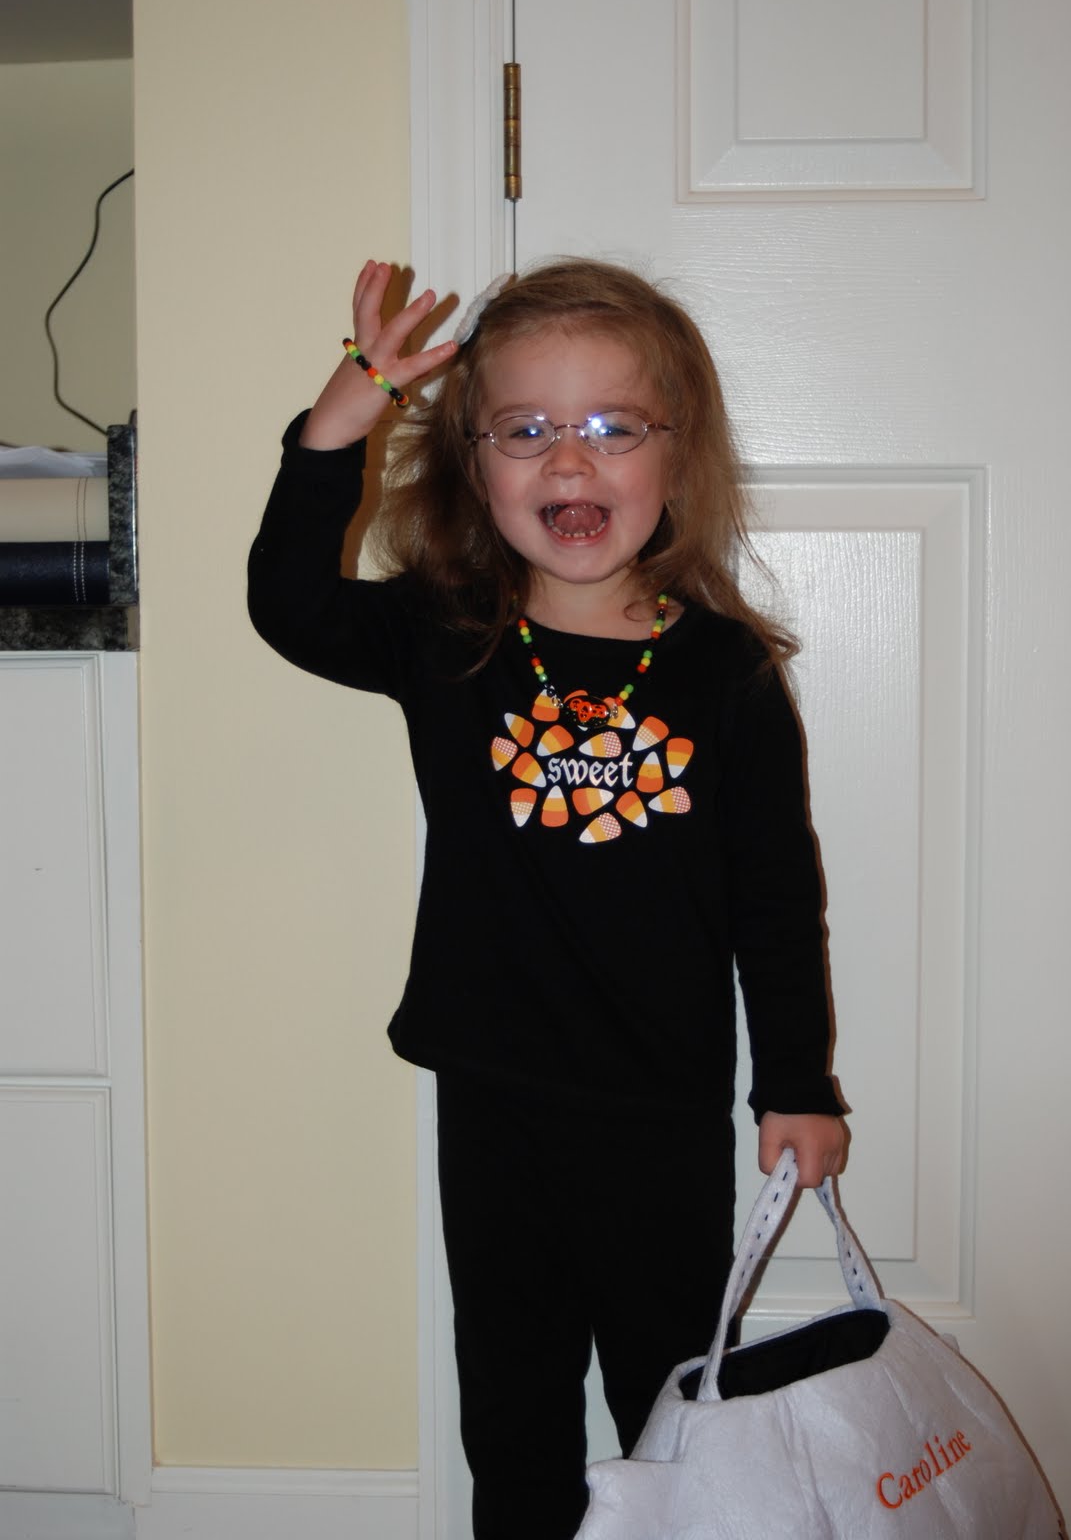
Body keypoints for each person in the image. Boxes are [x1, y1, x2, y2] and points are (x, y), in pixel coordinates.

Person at [248, 257, 846, 1540]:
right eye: (525, 430)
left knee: (673, 1409)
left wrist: (797, 1079)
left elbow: (775, 890)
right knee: (512, 1409)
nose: (569, 461)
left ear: (677, 456)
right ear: (476, 466)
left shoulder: (725, 672)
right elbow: (288, 605)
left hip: (662, 1110)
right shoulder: (449, 636)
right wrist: (345, 413)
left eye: (613, 427)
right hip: (498, 1097)